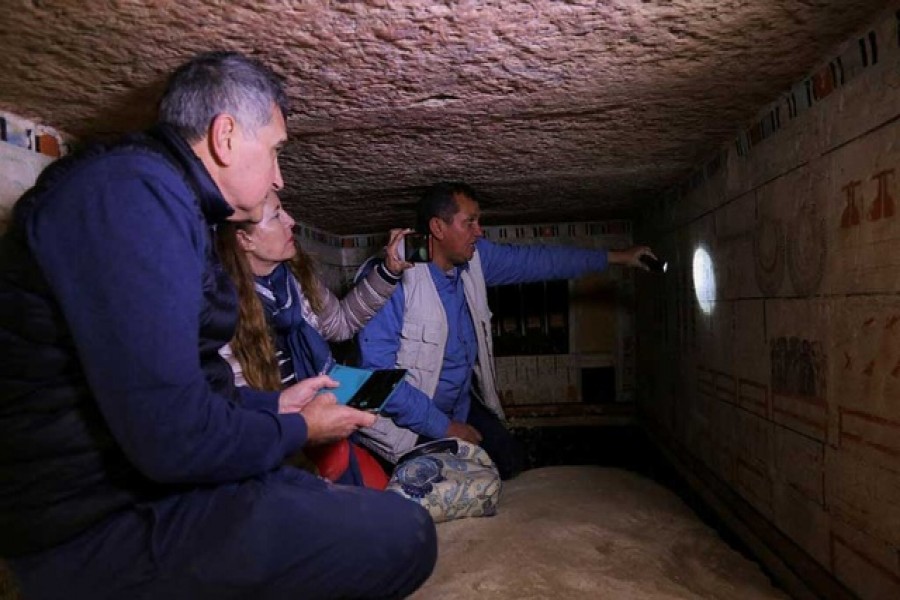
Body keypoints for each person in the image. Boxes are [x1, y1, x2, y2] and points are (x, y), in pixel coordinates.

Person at [0, 51, 435, 599]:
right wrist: (301, 429)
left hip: (143, 492)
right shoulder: (130, 196)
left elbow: (182, 387)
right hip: (96, 526)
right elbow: (172, 437)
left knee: (372, 512)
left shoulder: (164, 199)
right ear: (226, 135)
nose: (279, 174)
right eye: (276, 150)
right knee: (403, 535)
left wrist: (273, 406)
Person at [356, 181, 656, 480]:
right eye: (469, 222)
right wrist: (444, 428)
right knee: (447, 490)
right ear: (438, 227)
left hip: (458, 407)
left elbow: (540, 262)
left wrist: (617, 257)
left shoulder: (474, 261)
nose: (479, 231)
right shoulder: (389, 280)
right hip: (407, 422)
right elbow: (377, 379)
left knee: (510, 463)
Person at [216, 189, 413, 486]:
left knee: (386, 503)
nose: (291, 221)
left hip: (326, 434)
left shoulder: (296, 279)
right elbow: (230, 411)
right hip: (272, 448)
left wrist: (388, 271)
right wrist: (299, 424)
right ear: (245, 240)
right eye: (277, 215)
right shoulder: (218, 306)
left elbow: (342, 323)